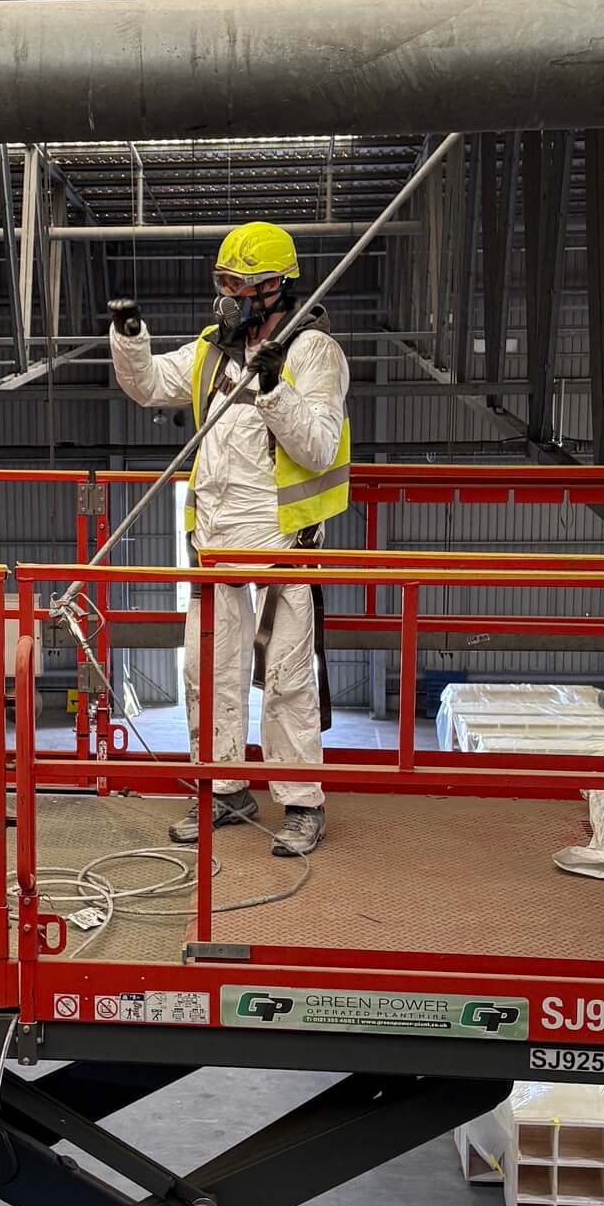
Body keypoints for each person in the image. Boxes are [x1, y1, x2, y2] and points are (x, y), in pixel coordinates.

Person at [110, 222, 350, 858]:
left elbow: (320, 445)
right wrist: (130, 339)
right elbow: (148, 384)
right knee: (209, 674)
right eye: (222, 282)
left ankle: (301, 803)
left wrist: (273, 390)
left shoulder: (314, 354)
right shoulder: (211, 352)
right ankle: (222, 790)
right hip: (214, 543)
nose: (228, 295)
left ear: (275, 288)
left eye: (239, 284)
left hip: (282, 543)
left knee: (289, 677)